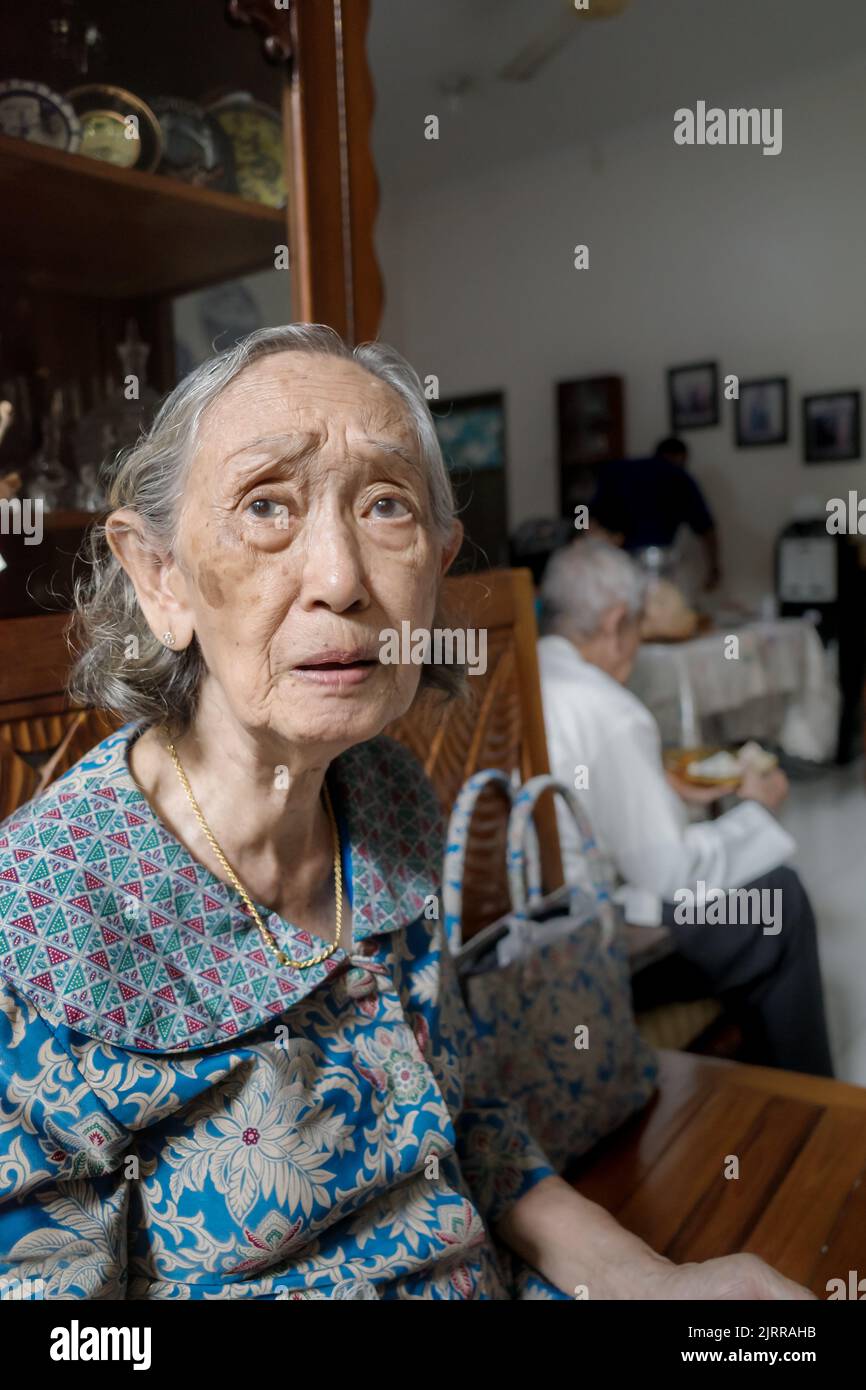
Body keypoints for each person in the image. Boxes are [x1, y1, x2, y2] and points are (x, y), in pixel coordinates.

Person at [0, 327, 811, 1301]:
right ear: (160, 576)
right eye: (267, 505)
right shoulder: (38, 915)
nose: (340, 576)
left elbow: (462, 1115)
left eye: (385, 505)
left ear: (435, 563)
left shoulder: (383, 796)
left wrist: (650, 1279)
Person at [538, 537, 834, 1079]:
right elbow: (672, 875)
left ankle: (751, 1088)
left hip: (525, 937)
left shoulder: (528, 674)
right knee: (780, 900)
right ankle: (813, 1108)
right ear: (616, 621)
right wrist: (753, 807)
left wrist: (668, 792)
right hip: (596, 950)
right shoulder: (610, 709)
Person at [590, 436, 721, 590]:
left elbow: (585, 509)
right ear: (680, 457)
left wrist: (579, 538)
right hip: (658, 562)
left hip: (617, 560)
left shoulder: (617, 470)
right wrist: (714, 568)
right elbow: (706, 528)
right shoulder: (679, 477)